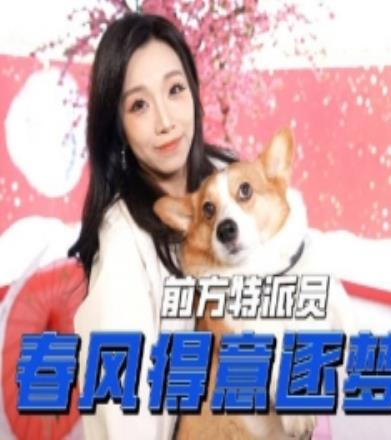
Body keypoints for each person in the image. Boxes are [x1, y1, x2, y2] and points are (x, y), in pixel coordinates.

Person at [69, 13, 236, 439]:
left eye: (175, 90)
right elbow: (128, 419)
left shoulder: (232, 179)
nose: (165, 121)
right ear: (118, 128)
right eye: (139, 105)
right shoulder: (123, 240)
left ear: (194, 90)